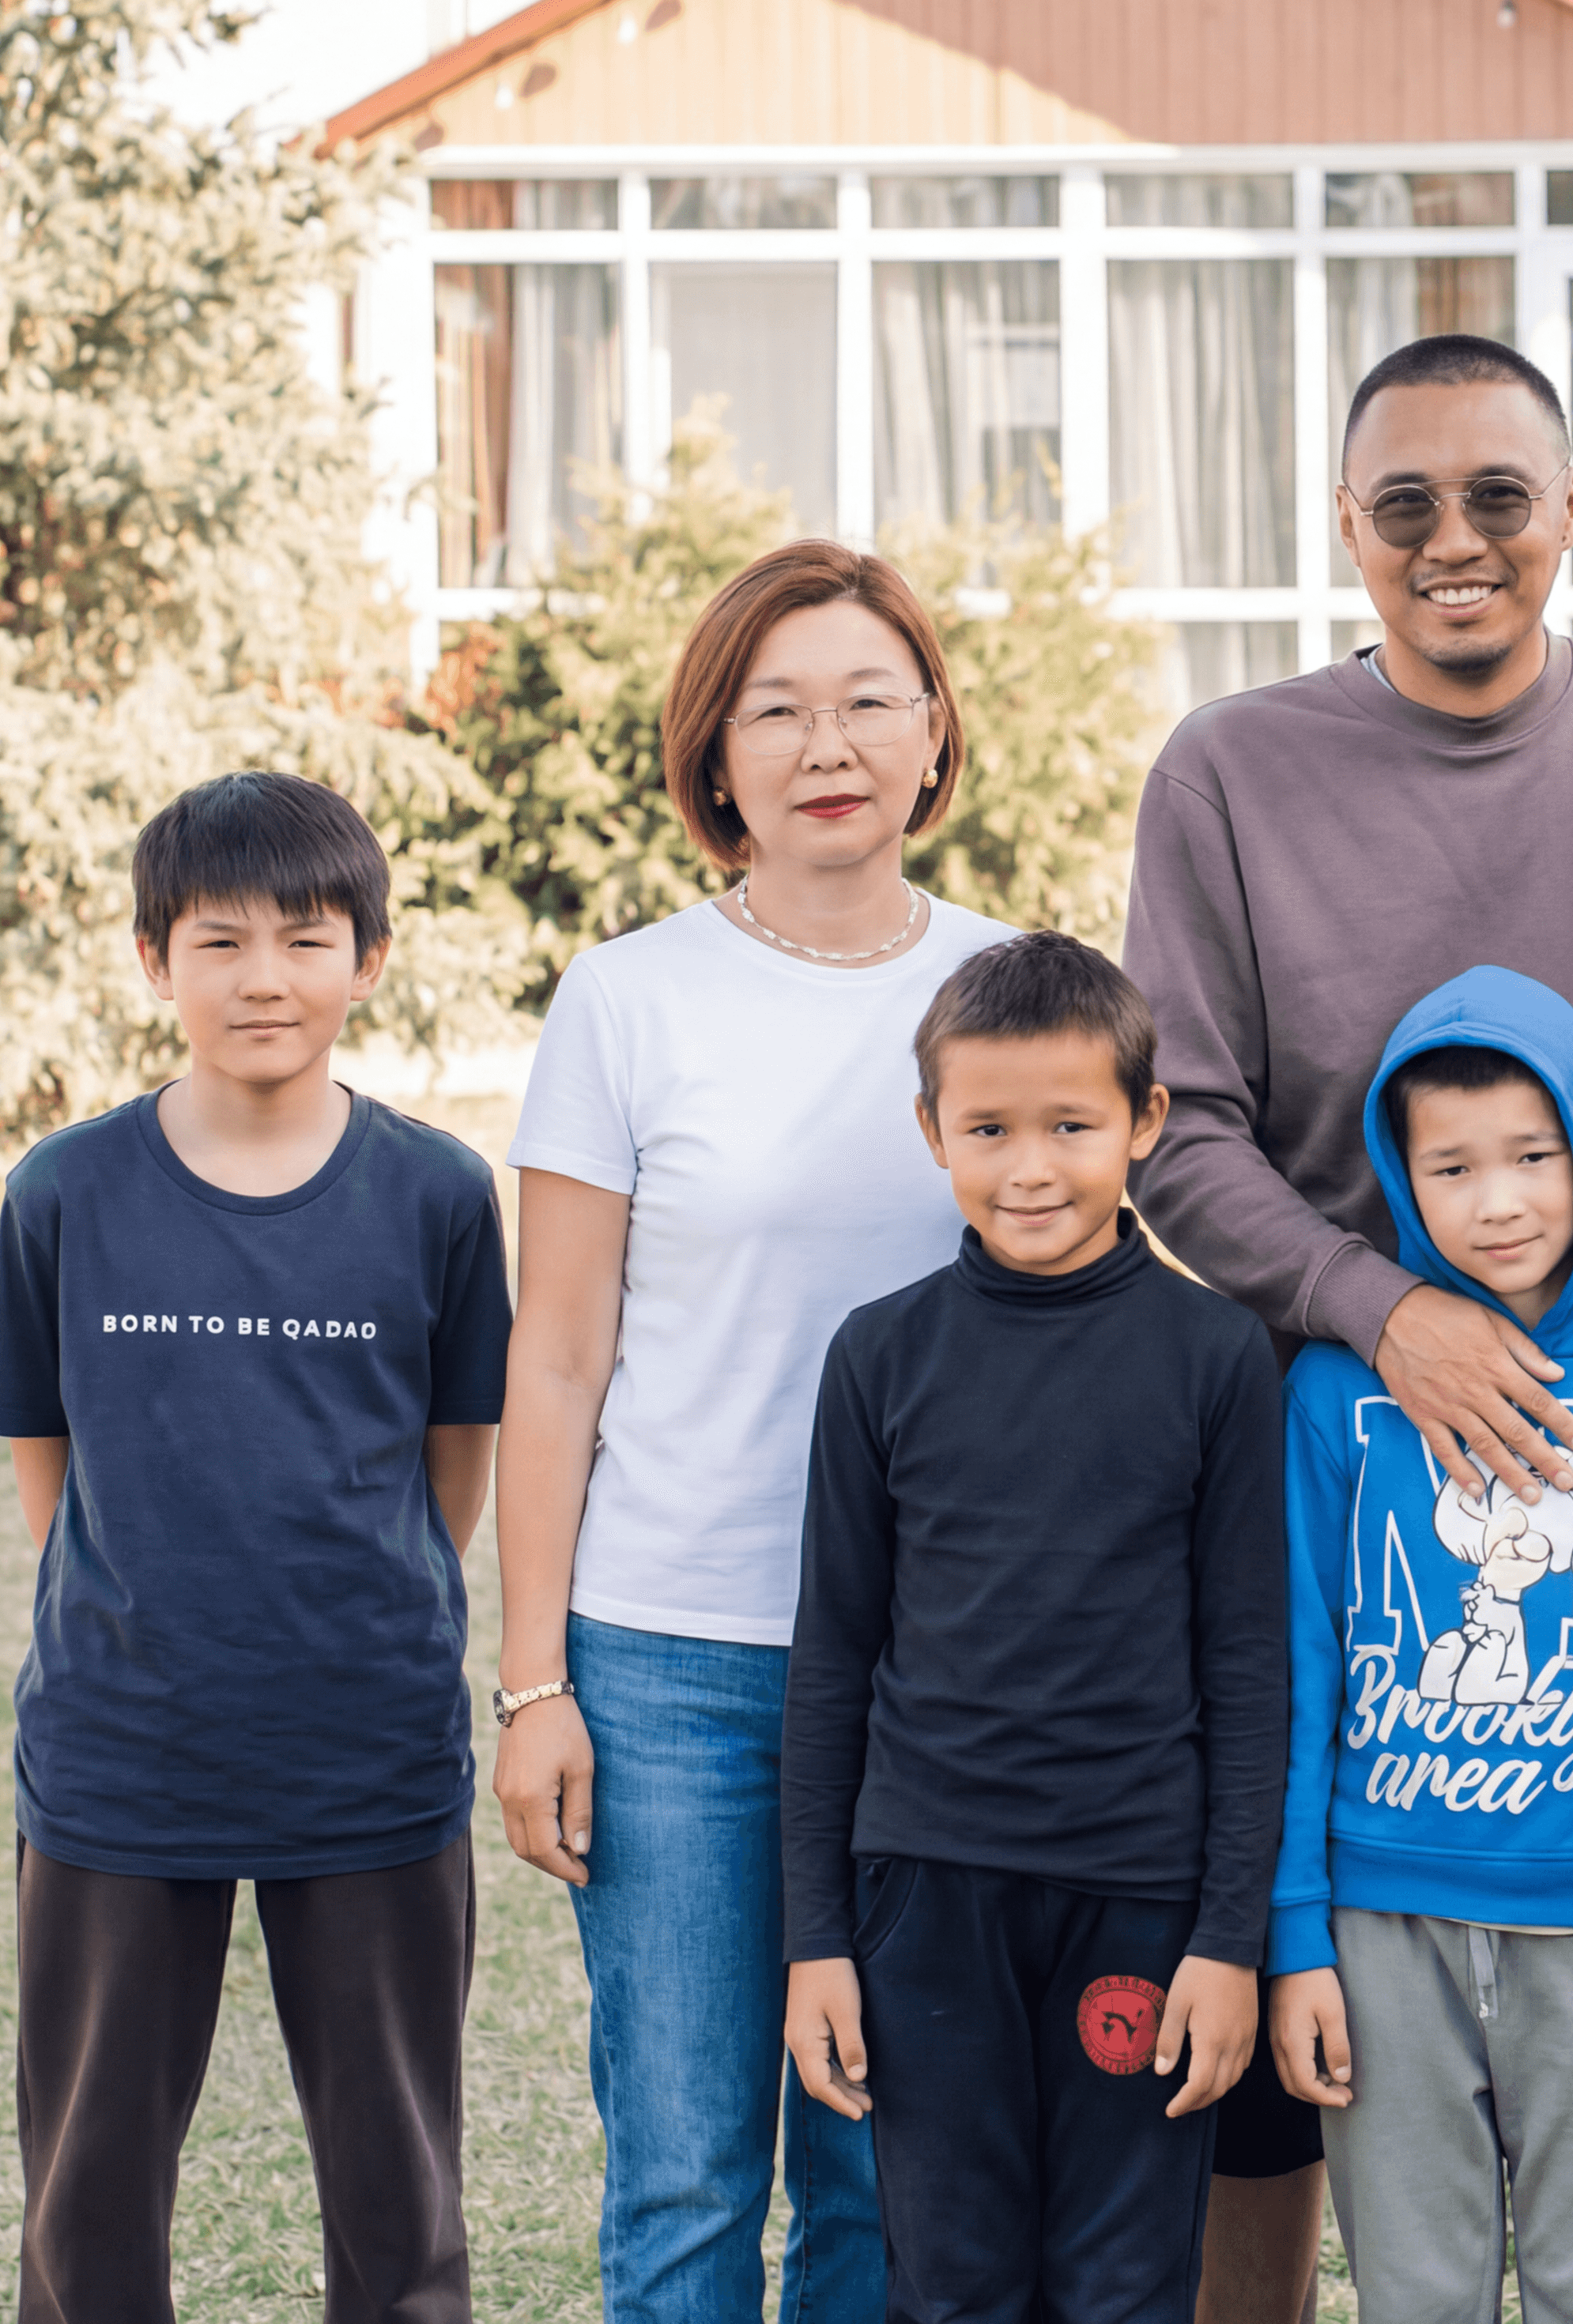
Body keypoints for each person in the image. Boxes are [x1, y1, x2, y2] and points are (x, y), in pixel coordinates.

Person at [1120, 335, 1573, 2310]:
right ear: (1346, 529)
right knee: (1312, 2051)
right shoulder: (1231, 770)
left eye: (1501, 498)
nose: (1458, 543)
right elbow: (1172, 1127)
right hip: (1326, 1455)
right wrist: (1381, 1315)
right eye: (1407, 506)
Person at [492, 541, 1020, 2322]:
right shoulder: (626, 1001)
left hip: (933, 1671)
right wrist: (532, 1682)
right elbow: (553, 1362)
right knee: (689, 2175)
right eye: (777, 708)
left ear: (934, 734)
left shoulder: (1015, 992)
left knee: (888, 2172)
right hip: (674, 1665)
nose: (828, 744)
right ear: (716, 754)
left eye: (871, 699)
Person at [0, 771, 512, 2324]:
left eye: (305, 937)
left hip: (369, 1756)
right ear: (155, 961)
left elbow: (451, 1466)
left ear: (369, 961)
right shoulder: (65, 1193)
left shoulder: (436, 1195)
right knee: (87, 2215)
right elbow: (47, 1464)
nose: (263, 978)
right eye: (219, 941)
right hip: (119, 1760)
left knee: (401, 2212)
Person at [1259, 967, 1573, 2322]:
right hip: (1384, 1923)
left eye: (1534, 1157)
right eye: (1452, 1168)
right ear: (1399, 1178)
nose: (1497, 1202)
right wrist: (1294, 1936)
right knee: (1416, 2296)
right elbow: (1299, 1672)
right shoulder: (1338, 1389)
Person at [779, 932, 1284, 2321]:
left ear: (1144, 1123)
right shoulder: (881, 1357)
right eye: (989, 1129)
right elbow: (833, 1657)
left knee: (1123, 2288)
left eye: (1071, 1125)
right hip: (927, 1893)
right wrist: (817, 1939)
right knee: (952, 2285)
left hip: (1139, 1893)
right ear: (932, 1128)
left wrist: (1228, 1940)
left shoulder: (1217, 1356)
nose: (1031, 1168)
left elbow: (1249, 1668)